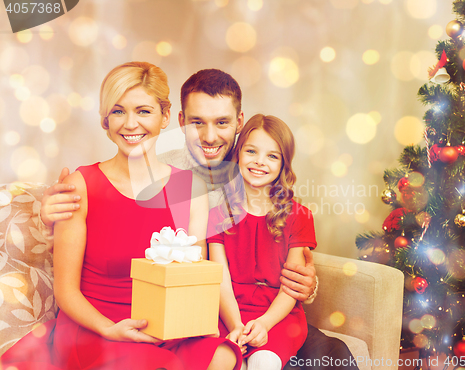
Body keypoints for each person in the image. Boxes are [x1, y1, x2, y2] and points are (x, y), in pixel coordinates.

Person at [39, 68, 357, 370]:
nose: (209, 135)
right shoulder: (157, 169)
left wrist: (307, 284)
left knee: (331, 356)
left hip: (261, 314)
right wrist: (47, 214)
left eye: (221, 122)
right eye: (197, 122)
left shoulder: (256, 163)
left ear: (238, 122)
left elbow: (290, 235)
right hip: (208, 313)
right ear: (178, 121)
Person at [0, 62, 242, 370]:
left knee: (224, 356)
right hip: (96, 328)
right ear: (105, 119)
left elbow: (190, 280)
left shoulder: (191, 188)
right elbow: (66, 290)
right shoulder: (81, 185)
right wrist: (108, 328)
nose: (130, 124)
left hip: (165, 328)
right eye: (118, 111)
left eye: (143, 111)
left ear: (165, 117)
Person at [208, 114, 314, 370]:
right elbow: (220, 281)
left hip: (279, 316)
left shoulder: (299, 216)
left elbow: (292, 285)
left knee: (262, 362)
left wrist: (265, 323)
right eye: (251, 151)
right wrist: (235, 325)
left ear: (283, 164)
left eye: (272, 156)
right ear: (238, 156)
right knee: (222, 359)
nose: (259, 162)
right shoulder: (217, 214)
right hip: (228, 311)